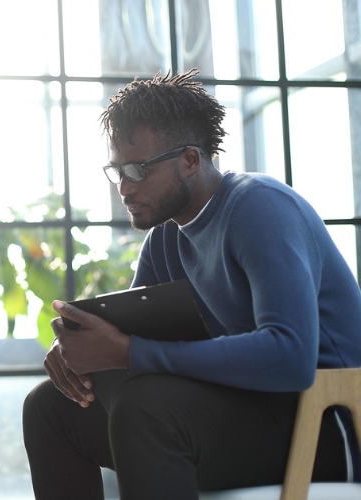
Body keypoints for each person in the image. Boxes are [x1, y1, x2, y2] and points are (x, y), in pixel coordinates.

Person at [22, 69, 361, 499]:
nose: (124, 187)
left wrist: (128, 352)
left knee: (146, 408)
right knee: (49, 407)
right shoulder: (165, 239)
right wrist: (79, 352)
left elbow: (290, 356)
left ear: (190, 160)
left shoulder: (260, 207)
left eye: (138, 169)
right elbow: (129, 342)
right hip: (240, 410)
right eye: (118, 170)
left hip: (322, 421)